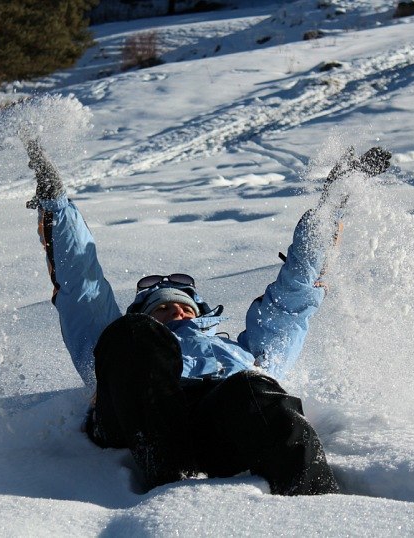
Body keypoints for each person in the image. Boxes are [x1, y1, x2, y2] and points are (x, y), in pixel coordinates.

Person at [24, 136, 390, 495]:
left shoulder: (240, 352)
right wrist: (56, 203)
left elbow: (290, 301)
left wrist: (328, 212)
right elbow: (81, 287)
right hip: (140, 417)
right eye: (163, 308)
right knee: (132, 335)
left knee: (254, 387)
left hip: (218, 426)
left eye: (184, 306)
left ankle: (317, 504)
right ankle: (164, 468)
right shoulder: (128, 345)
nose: (177, 311)